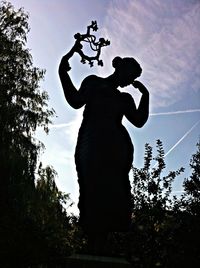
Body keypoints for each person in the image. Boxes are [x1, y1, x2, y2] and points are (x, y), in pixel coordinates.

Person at [58, 42, 149, 254]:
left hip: (116, 148)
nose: (131, 81)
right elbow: (74, 100)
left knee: (114, 191)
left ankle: (104, 243)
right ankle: (92, 241)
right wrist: (63, 71)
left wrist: (145, 96)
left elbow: (139, 121)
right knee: (90, 187)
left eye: (134, 78)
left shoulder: (125, 99)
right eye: (130, 74)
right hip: (92, 142)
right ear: (120, 67)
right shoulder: (93, 83)